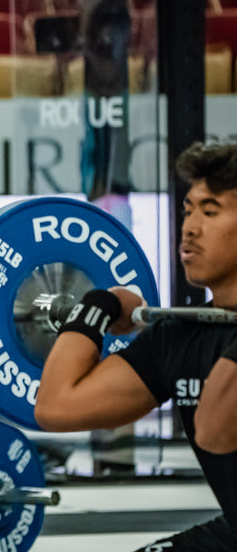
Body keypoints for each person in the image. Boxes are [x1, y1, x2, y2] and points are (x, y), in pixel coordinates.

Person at [36, 140, 237, 551]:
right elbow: (56, 406)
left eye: (211, 211)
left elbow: (215, 430)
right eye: (189, 210)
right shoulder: (181, 335)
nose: (190, 227)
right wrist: (100, 306)